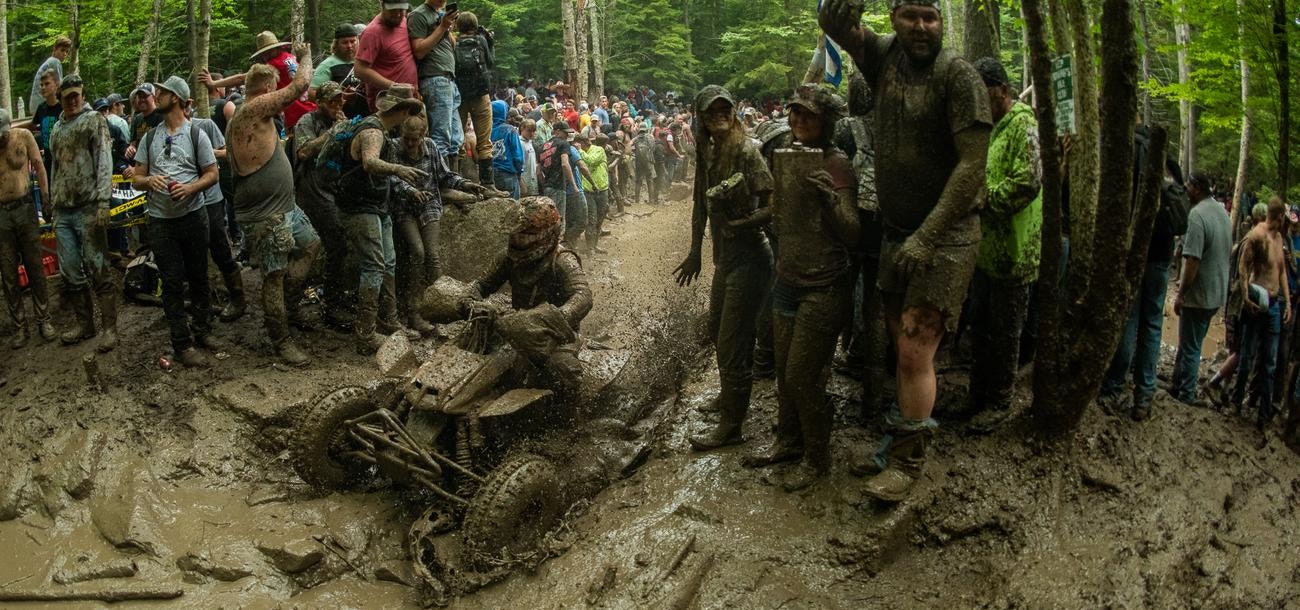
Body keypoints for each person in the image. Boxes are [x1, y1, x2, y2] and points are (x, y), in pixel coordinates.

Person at [821, 0, 992, 501]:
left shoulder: (958, 77)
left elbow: (972, 167)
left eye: (930, 17)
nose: (921, 27)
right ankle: (897, 442)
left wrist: (928, 236)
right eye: (911, 16)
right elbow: (843, 32)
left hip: (947, 234)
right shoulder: (885, 56)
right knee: (902, 345)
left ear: (940, 22)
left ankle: (908, 463)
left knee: (916, 347)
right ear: (894, 17)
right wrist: (831, 16)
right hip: (899, 231)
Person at [742, 85, 858, 491]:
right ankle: (788, 442)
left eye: (808, 114)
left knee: (802, 376)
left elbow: (853, 232)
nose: (798, 120)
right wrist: (745, 216)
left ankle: (817, 457)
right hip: (787, 279)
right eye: (795, 113)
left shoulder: (837, 164)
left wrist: (830, 200)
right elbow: (778, 213)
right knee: (784, 373)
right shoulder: (787, 156)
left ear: (826, 121)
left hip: (825, 285)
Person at [674, 85, 775, 452]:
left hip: (751, 258)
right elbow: (700, 205)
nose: (719, 115)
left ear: (733, 114)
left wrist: (740, 224)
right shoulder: (707, 151)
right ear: (701, 117)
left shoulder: (747, 151)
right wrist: (695, 252)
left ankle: (732, 425)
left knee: (733, 343)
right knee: (718, 331)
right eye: (711, 111)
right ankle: (729, 396)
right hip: (725, 259)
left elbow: (773, 205)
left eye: (724, 110)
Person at [226, 46, 322, 366]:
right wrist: (304, 56)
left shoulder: (251, 114)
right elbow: (300, 85)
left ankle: (289, 309)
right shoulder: (253, 108)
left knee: (310, 244)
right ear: (268, 88)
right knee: (274, 273)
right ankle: (280, 339)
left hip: (285, 205)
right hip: (266, 212)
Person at [965, 57, 1042, 432]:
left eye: (985, 95)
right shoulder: (989, 128)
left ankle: (999, 401)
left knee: (1006, 334)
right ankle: (977, 395)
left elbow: (1028, 181)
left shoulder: (1023, 124)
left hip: (1014, 251)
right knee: (979, 328)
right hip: (985, 251)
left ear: (1003, 91)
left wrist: (985, 199)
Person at [131, 76, 221, 368]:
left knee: (198, 276)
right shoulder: (149, 137)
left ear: (178, 99)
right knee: (171, 282)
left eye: (163, 92)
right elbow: (136, 179)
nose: (157, 95)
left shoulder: (196, 133)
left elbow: (212, 173)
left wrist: (191, 188)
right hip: (161, 222)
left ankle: (203, 330)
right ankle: (182, 344)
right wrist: (148, 180)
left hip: (193, 216)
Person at [463, 197, 593, 396]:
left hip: (555, 335)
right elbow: (482, 284)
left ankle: (568, 412)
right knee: (469, 346)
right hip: (516, 327)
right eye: (516, 236)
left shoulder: (562, 259)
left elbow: (583, 295)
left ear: (547, 233)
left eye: (526, 236)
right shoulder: (508, 257)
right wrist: (470, 299)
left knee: (562, 370)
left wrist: (553, 317)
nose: (519, 241)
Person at [331, 84, 427, 353]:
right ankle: (366, 334)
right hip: (360, 207)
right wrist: (398, 169)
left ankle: (389, 320)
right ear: (403, 111)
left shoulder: (380, 129)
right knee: (374, 266)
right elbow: (370, 162)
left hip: (376, 205)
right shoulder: (373, 131)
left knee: (388, 263)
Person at [1098, 127, 1186, 421]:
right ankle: (1144, 395)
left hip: (1136, 252)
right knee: (1152, 325)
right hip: (1162, 257)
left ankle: (1113, 386)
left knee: (1129, 319)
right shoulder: (1167, 162)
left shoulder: (1129, 152)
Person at [388, 114, 492, 334]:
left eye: (414, 140)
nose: (410, 144)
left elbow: (444, 175)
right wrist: (411, 191)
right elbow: (392, 178)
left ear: (422, 136)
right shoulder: (394, 147)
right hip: (404, 207)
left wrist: (466, 184)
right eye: (407, 139)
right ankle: (413, 311)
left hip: (429, 205)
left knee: (432, 255)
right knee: (417, 252)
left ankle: (443, 307)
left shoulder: (431, 147)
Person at [48, 74, 118, 351]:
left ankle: (109, 329)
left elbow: (104, 160)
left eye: (77, 95)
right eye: (68, 97)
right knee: (69, 270)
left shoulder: (94, 120)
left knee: (98, 267)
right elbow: (54, 167)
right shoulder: (57, 128)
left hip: (89, 206)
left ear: (83, 95)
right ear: (61, 99)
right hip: (63, 209)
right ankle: (85, 324)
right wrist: (53, 204)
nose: (73, 100)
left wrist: (103, 201)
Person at [293, 82, 353, 329]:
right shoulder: (307, 121)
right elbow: (303, 151)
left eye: (340, 100)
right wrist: (333, 133)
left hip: (334, 188)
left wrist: (349, 131)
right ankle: (324, 304)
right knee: (326, 244)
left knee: (337, 245)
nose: (337, 105)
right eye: (332, 102)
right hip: (312, 191)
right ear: (320, 103)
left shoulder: (341, 120)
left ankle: (333, 298)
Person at [1231, 197, 1290, 438]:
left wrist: (1287, 302)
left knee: (1270, 362)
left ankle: (1263, 416)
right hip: (1257, 302)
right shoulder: (1257, 236)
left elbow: (1281, 270)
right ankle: (1236, 402)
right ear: (1279, 217)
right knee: (1247, 355)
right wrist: (1246, 297)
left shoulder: (1279, 238)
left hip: (1274, 304)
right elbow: (1243, 268)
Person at [1171, 173, 1231, 404]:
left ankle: (1186, 394)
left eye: (1188, 185)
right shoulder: (1221, 212)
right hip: (1217, 293)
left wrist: (1181, 294)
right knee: (1190, 342)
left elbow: (1192, 261)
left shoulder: (1196, 215)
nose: (1185, 189)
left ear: (1196, 188)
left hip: (1199, 294)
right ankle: (1177, 384)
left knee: (1190, 347)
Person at [186, 95, 245, 323]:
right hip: (186, 205)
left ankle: (237, 297)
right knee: (193, 255)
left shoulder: (206, 125)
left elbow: (227, 152)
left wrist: (208, 152)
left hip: (210, 199)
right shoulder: (164, 134)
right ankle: (202, 304)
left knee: (220, 247)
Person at [0, 108, 56, 348]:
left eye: (3, 134)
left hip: (25, 207)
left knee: (35, 266)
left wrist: (45, 197)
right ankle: (19, 326)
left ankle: (44, 319)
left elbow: (39, 166)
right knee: (8, 273)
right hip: (2, 214)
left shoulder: (23, 136)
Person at [409, 0, 463, 167]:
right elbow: (419, 51)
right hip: (435, 78)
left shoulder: (440, 15)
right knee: (441, 136)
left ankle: (453, 177)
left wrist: (447, 27)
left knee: (455, 138)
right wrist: (442, 27)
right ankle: (440, 179)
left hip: (449, 79)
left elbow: (452, 46)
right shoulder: (418, 15)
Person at [453, 12, 496, 185]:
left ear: (458, 26)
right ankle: (488, 184)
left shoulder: (454, 42)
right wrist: (490, 43)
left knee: (457, 140)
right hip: (480, 95)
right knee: (484, 142)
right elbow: (490, 62)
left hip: (460, 96)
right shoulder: (481, 40)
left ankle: (457, 182)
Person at [356, 1, 420, 114]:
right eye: (393, 10)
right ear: (382, 6)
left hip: (410, 99)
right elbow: (360, 70)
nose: (398, 14)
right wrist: (395, 87)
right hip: (387, 104)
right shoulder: (372, 32)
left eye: (401, 10)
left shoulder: (404, 21)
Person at [312, 24, 368, 119]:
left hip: (367, 116)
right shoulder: (327, 65)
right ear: (336, 44)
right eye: (345, 42)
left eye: (353, 41)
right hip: (340, 119)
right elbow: (312, 93)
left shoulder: (365, 61)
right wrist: (339, 97)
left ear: (358, 41)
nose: (349, 46)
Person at [576, 133, 611, 254]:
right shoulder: (578, 153)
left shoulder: (598, 149)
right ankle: (590, 247)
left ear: (582, 143)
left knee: (600, 219)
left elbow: (592, 161)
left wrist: (580, 151)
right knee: (592, 219)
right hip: (588, 190)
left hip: (602, 188)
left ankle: (595, 245)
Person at [490, 99, 526, 198]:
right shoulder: (510, 130)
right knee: (512, 204)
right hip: (508, 174)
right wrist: (519, 172)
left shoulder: (486, 131)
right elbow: (518, 156)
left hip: (491, 176)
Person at [29, 36, 71, 113]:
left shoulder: (49, 62)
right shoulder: (55, 62)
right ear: (55, 50)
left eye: (67, 52)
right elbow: (60, 87)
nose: (65, 54)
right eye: (62, 50)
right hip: (43, 104)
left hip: (36, 104)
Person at [631, 126, 659, 206]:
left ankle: (637, 201)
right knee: (650, 181)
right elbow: (653, 148)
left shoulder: (636, 138)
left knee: (638, 181)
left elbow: (629, 146)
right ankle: (651, 200)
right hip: (649, 162)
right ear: (646, 130)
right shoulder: (650, 137)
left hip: (639, 163)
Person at [520, 119, 539, 197]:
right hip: (524, 181)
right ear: (522, 129)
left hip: (532, 180)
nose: (531, 133)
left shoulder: (530, 142)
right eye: (529, 131)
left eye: (533, 131)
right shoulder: (520, 143)